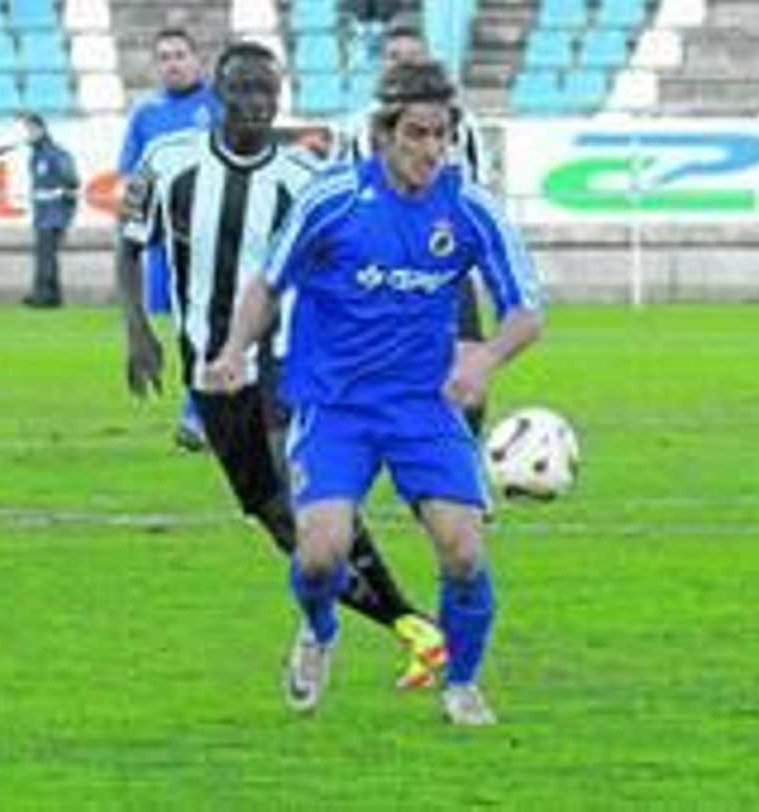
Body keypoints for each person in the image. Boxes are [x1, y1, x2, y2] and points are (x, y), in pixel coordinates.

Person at [205, 60, 546, 724]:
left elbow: (527, 310)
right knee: (320, 554)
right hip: (336, 406)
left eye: (441, 134)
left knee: (463, 550)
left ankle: (462, 685)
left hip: (424, 406)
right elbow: (268, 284)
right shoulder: (333, 201)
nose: (431, 150)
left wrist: (486, 358)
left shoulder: (469, 207)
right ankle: (319, 629)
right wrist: (232, 349)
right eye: (417, 133)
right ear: (384, 134)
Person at [115, 41, 447, 698]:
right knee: (276, 518)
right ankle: (357, 623)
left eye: (266, 91)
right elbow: (129, 248)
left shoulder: (305, 178)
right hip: (209, 369)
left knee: (309, 502)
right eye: (242, 89)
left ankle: (410, 628)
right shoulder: (169, 162)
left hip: (291, 363)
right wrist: (138, 332)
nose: (256, 103)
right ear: (218, 94)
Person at [335, 22, 493, 438]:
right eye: (394, 58)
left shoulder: (463, 126)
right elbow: (341, 199)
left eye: (411, 58)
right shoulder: (355, 127)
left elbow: (476, 193)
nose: (402, 65)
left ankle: (465, 457)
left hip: (443, 269)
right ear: (382, 67)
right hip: (376, 274)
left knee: (466, 370)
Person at [118, 26, 224, 452]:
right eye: (164, 57)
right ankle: (203, 409)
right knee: (190, 326)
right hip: (168, 243)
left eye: (180, 55)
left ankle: (197, 414)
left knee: (215, 324)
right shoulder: (146, 116)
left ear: (198, 60)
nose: (173, 64)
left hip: (219, 237)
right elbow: (132, 178)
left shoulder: (221, 106)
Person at [17, 112, 78, 309]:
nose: (27, 135)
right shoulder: (36, 155)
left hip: (54, 212)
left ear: (41, 129)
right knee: (46, 254)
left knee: (46, 255)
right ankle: (52, 296)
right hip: (42, 212)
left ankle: (43, 295)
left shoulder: (55, 153)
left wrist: (65, 209)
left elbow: (72, 180)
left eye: (30, 130)